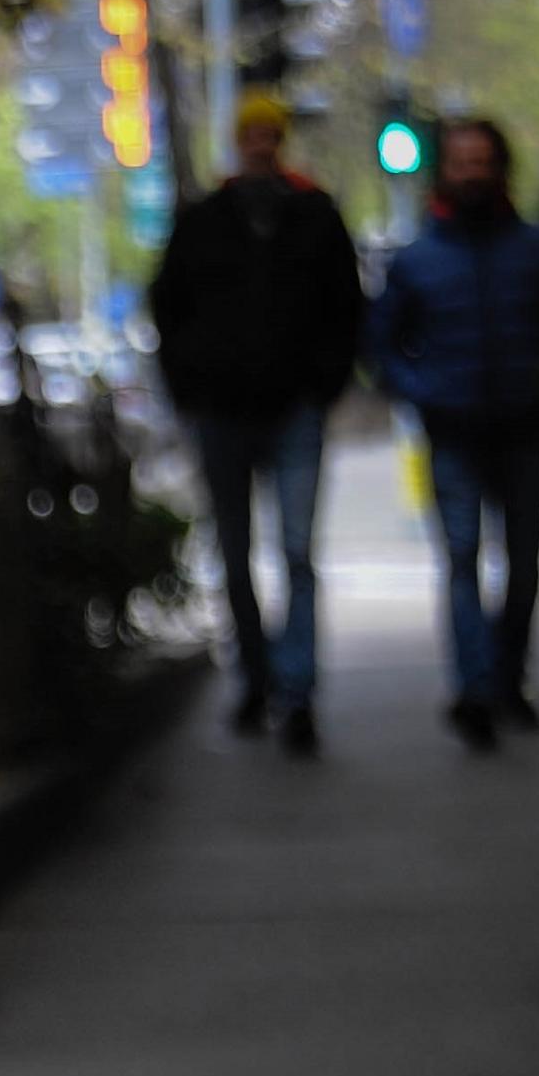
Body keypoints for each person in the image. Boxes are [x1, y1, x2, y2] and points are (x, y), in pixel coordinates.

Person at [145, 92, 363, 756]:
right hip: (223, 415)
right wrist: (190, 388)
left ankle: (296, 689)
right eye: (253, 135)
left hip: (293, 408)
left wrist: (324, 382)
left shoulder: (314, 215)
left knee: (297, 553)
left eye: (271, 134)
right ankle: (256, 677)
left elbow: (346, 306)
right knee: (235, 556)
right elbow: (167, 307)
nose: (261, 145)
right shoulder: (204, 221)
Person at [371, 117, 539, 751]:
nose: (472, 173)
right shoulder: (417, 260)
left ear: (500, 167)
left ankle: (506, 680)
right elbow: (385, 347)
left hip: (525, 429)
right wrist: (426, 396)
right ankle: (475, 689)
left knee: (523, 565)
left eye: (481, 161)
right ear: (446, 170)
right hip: (454, 433)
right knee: (462, 562)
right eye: (461, 162)